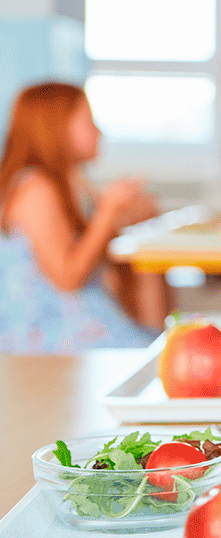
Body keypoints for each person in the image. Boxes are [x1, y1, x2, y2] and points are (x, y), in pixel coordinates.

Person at [0, 82, 163, 352]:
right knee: (151, 353)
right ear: (56, 128)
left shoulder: (75, 184)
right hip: (46, 333)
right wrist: (108, 212)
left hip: (80, 320)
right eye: (88, 121)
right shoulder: (35, 189)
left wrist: (127, 211)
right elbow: (67, 279)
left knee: (157, 340)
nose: (99, 131)